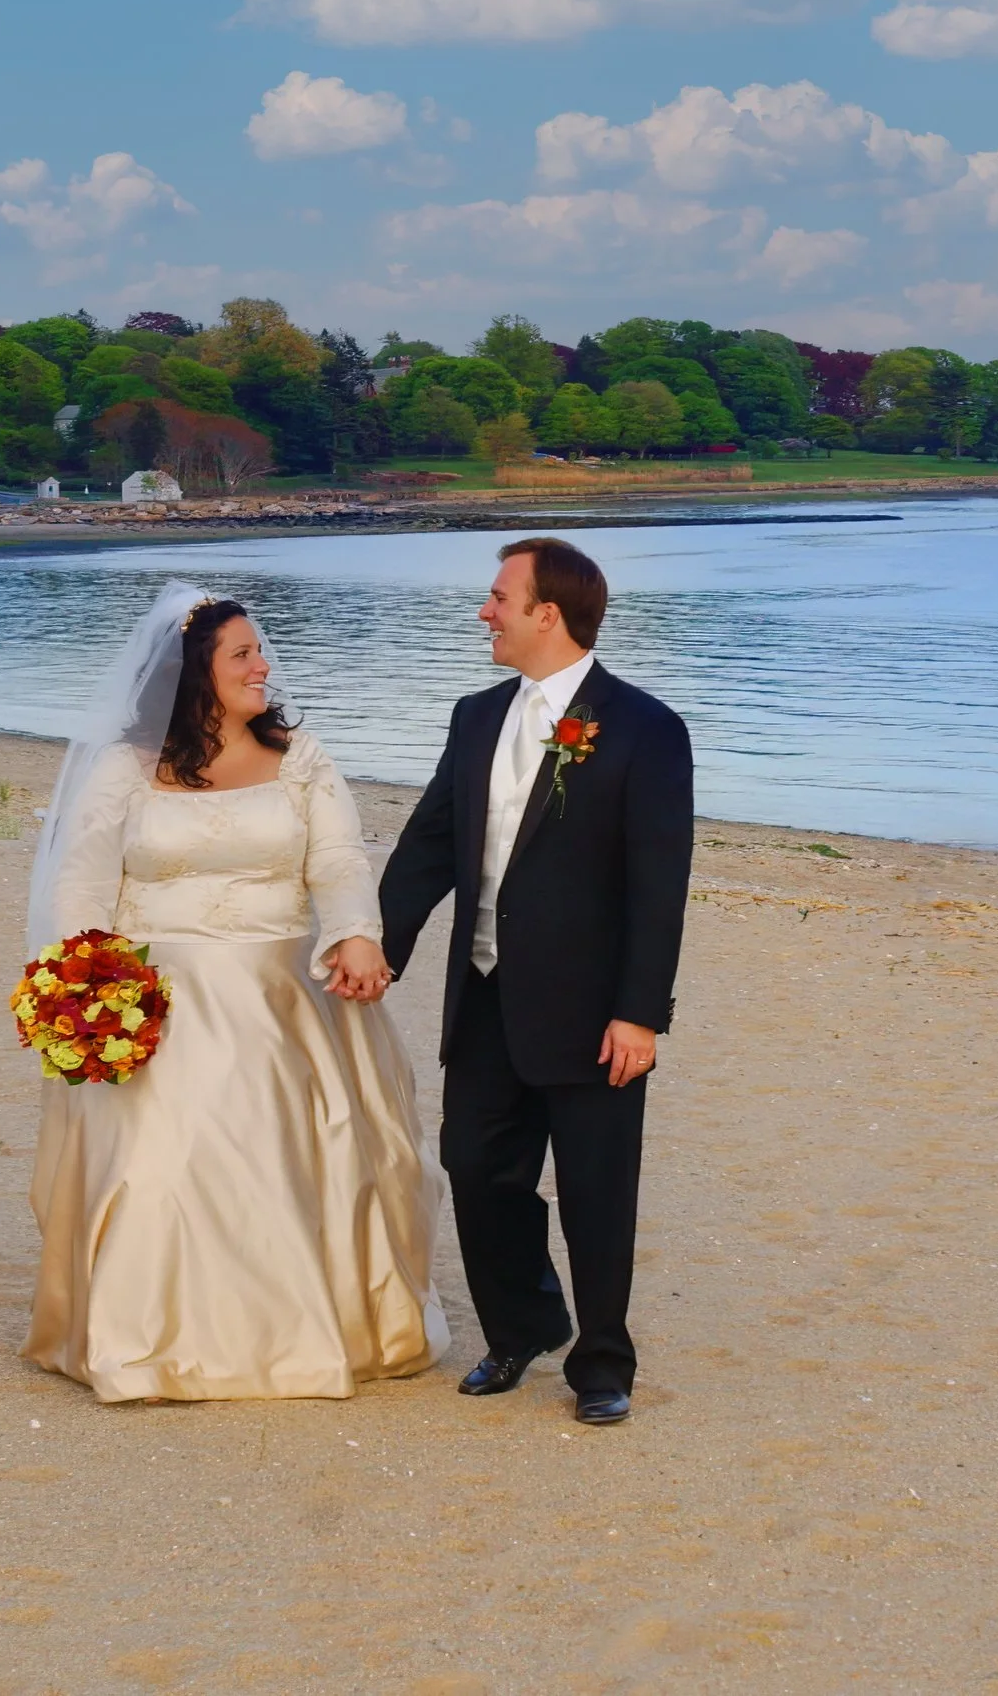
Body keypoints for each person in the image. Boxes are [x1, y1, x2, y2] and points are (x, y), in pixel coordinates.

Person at [22, 580, 445, 1401]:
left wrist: (356, 931)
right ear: (193, 673)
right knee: (159, 1167)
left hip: (282, 990)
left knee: (293, 1167)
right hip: (161, 999)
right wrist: (93, 982)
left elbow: (338, 863)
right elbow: (82, 885)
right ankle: (145, 1340)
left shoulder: (302, 758)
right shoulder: (125, 769)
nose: (263, 667)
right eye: (243, 654)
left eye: (260, 651)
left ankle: (301, 1335)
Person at [379, 537, 693, 1426]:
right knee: (477, 1170)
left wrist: (640, 1013)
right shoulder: (475, 716)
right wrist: (378, 946)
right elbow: (430, 845)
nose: (486, 611)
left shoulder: (645, 728)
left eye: (499, 598)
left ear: (546, 614)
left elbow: (658, 885)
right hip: (483, 997)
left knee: (597, 1186)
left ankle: (602, 1361)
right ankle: (521, 1327)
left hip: (593, 1010)